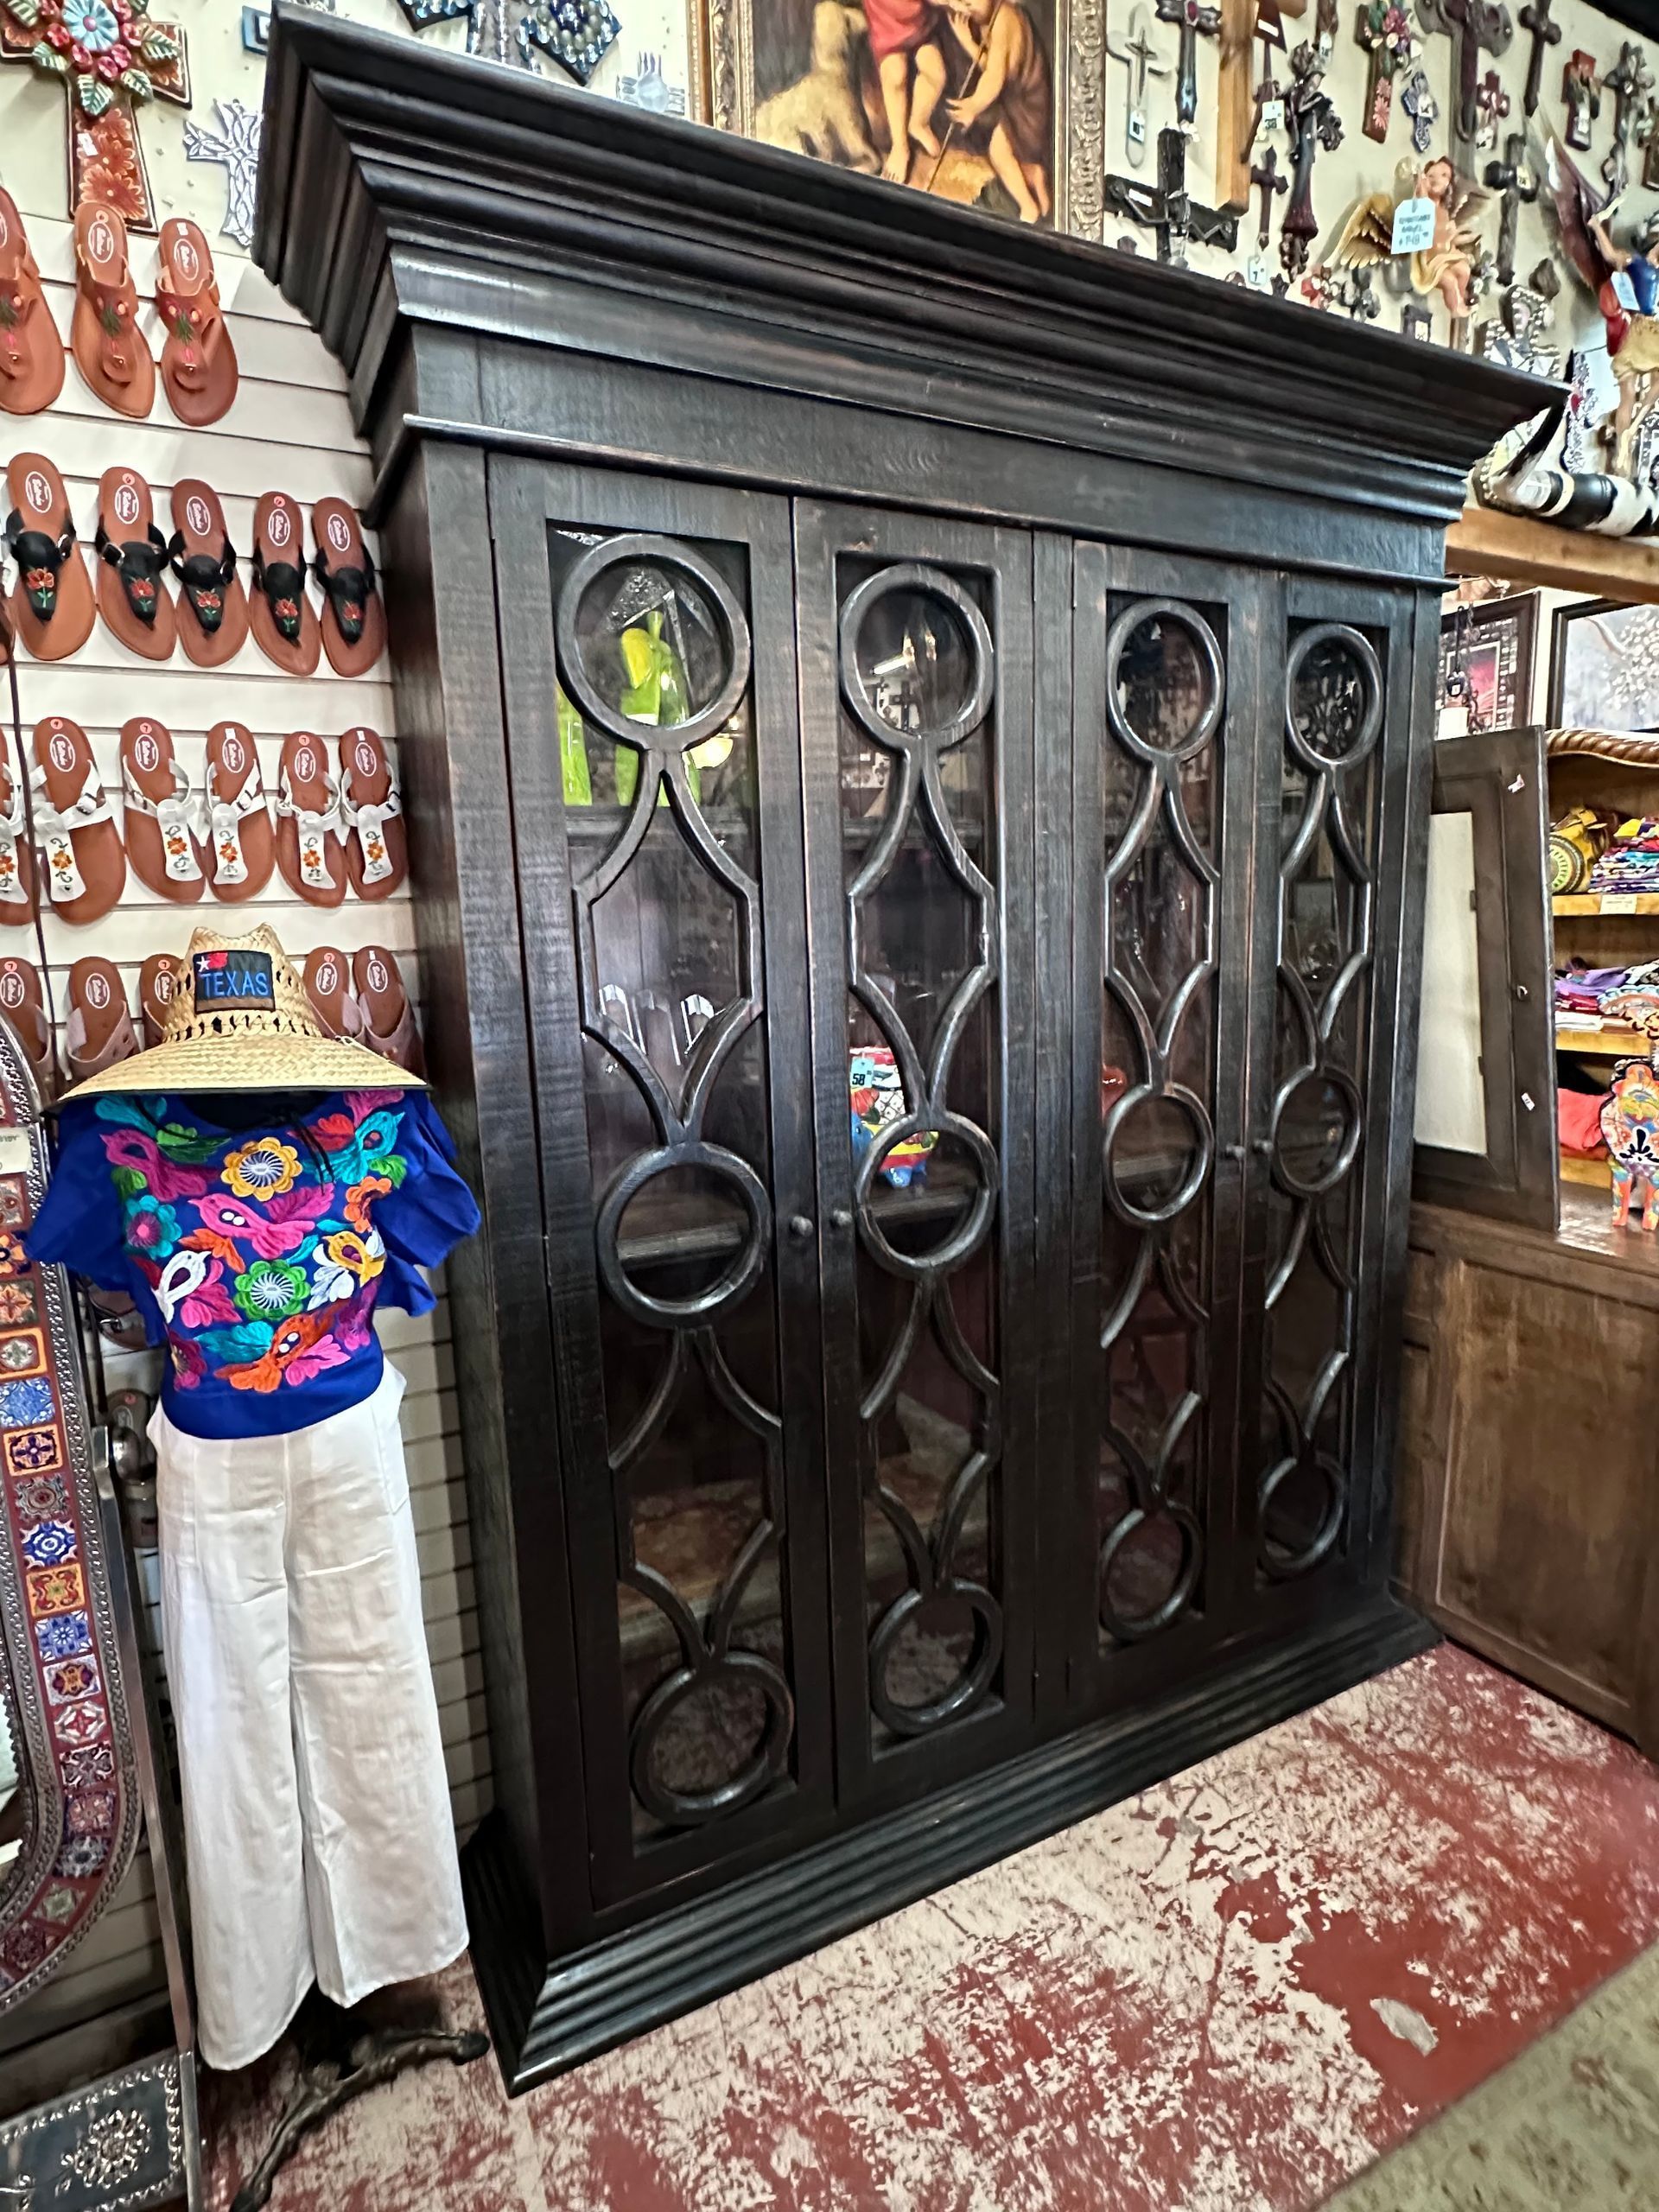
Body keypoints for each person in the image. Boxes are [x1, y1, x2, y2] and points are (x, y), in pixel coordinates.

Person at [941, 0, 1052, 224]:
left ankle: (1028, 207)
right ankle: (1033, 175)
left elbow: (995, 78)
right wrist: (968, 43)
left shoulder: (1005, 18)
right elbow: (992, 66)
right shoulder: (992, 20)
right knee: (1002, 152)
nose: (967, 7)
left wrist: (974, 106)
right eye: (963, 3)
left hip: (1028, 103)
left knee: (998, 152)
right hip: (1017, 100)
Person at [862, 0, 948, 186]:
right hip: (887, 19)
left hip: (918, 21)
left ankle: (919, 123)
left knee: (935, 73)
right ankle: (900, 146)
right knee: (895, 75)